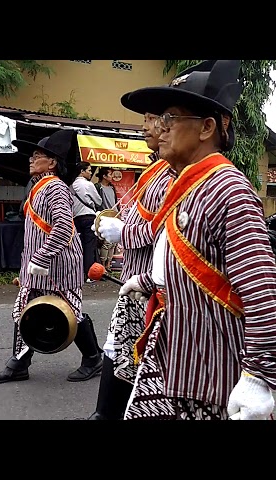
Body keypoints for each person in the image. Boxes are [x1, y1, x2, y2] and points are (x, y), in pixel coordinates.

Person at [109, 59, 276, 420]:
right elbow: (188, 259)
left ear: (207, 127)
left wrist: (259, 376)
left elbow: (260, 290)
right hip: (175, 352)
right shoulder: (185, 184)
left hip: (211, 371)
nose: (160, 129)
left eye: (171, 118)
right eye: (161, 119)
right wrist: (146, 281)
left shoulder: (228, 189)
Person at [0, 130, 103, 384]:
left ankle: (94, 358)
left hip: (59, 266)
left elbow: (62, 227)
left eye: (37, 155)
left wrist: (41, 258)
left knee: (71, 312)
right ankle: (19, 363)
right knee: (25, 311)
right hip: (40, 267)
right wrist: (29, 267)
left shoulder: (56, 188)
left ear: (51, 162)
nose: (30, 159)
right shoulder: (40, 186)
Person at [87, 113, 171, 420]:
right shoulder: (157, 169)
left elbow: (166, 230)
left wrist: (124, 232)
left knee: (139, 358)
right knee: (117, 346)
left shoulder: (173, 175)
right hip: (136, 279)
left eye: (152, 119)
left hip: (153, 284)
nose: (144, 126)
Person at [71, 161, 102, 282]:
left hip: (75, 217)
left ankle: (78, 273)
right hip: (88, 216)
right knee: (89, 245)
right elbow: (98, 201)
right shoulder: (88, 185)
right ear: (82, 171)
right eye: (89, 170)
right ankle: (90, 274)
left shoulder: (71, 185)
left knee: (78, 246)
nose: (90, 173)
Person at [94, 166, 120, 271]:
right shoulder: (98, 186)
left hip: (114, 215)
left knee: (113, 242)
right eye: (110, 174)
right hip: (104, 215)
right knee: (106, 242)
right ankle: (103, 265)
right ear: (104, 176)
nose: (112, 176)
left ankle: (109, 265)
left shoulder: (112, 187)